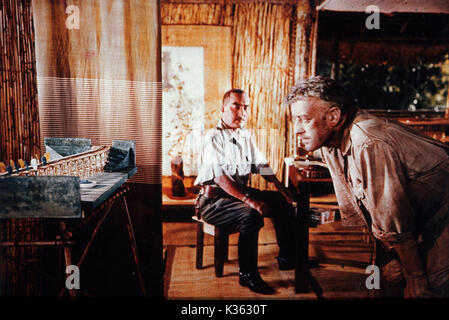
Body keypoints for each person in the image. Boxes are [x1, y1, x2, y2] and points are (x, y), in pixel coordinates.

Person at [285, 76, 449, 298]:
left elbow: (392, 216)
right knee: (384, 281)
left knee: (430, 285)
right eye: (294, 120)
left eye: (303, 119)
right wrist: (393, 257)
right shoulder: (330, 146)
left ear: (333, 116)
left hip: (443, 212)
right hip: (423, 215)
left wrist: (415, 275)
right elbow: (366, 212)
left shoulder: (368, 141)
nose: (296, 130)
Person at [194, 88, 296, 294]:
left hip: (238, 194)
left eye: (246, 107)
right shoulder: (213, 138)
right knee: (251, 215)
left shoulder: (244, 136)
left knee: (282, 201)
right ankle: (247, 274)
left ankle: (287, 258)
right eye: (236, 106)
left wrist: (278, 184)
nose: (242, 112)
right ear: (222, 109)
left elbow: (261, 164)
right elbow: (221, 179)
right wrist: (250, 200)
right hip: (214, 202)